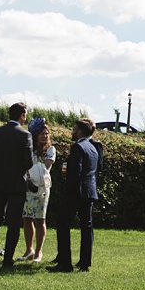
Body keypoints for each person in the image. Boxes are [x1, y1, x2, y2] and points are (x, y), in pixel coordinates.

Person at [0, 103, 33, 270]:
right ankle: (7, 258)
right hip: (17, 182)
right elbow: (29, 162)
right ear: (22, 115)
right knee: (13, 221)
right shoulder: (25, 135)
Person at [52, 117, 101, 272]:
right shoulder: (94, 148)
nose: (71, 132)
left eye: (73, 129)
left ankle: (65, 263)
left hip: (76, 190)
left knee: (62, 222)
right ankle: (85, 263)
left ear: (79, 131)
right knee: (87, 226)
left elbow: (76, 171)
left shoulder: (78, 147)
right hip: (90, 191)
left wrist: (67, 180)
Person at [21, 120, 56, 262]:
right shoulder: (29, 149)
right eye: (42, 133)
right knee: (27, 218)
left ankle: (38, 252)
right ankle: (29, 249)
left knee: (40, 219)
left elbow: (45, 166)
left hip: (41, 188)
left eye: (46, 134)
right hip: (28, 186)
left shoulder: (50, 150)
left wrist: (30, 171)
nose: (45, 136)